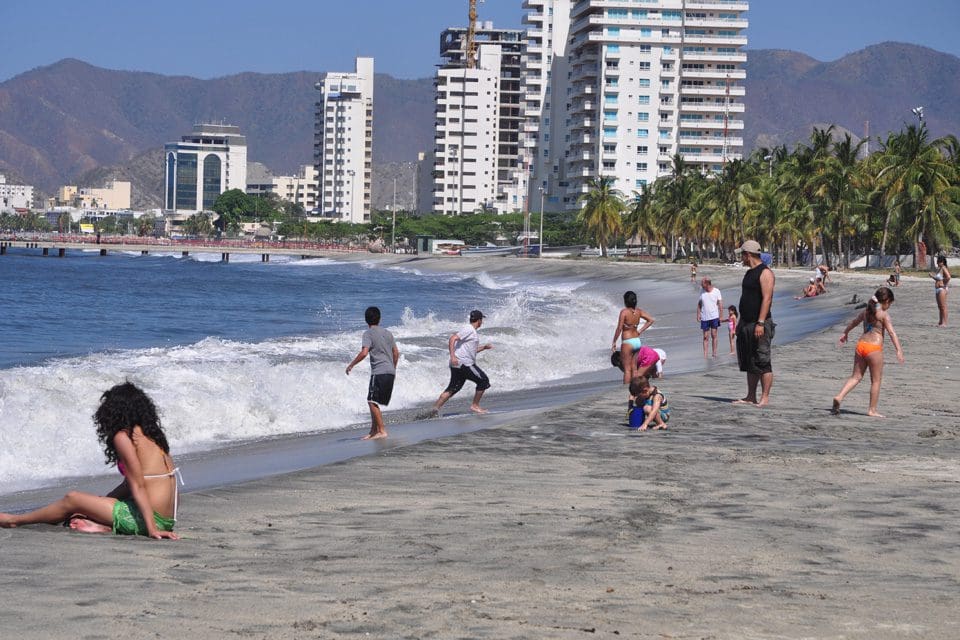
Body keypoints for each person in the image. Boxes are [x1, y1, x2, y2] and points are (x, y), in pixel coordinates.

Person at [0, 382, 180, 539]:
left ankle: (14, 521)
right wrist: (96, 505)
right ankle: (101, 526)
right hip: (166, 519)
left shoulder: (123, 436)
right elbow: (130, 485)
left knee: (72, 498)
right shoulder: (152, 435)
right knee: (82, 507)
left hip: (150, 520)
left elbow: (138, 485)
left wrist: (152, 530)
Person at [831, 287, 904, 418]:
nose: (889, 306)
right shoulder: (883, 315)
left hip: (861, 345)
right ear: (886, 301)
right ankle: (872, 410)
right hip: (874, 349)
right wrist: (898, 350)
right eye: (890, 303)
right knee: (876, 381)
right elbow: (892, 333)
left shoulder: (866, 312)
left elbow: (854, 323)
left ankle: (839, 396)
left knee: (856, 377)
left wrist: (845, 333)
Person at [346, 306, 400, 440]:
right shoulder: (388, 333)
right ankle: (373, 431)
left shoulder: (368, 333)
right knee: (373, 401)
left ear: (366, 320)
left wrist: (351, 364)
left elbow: (364, 352)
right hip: (390, 371)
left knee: (371, 401)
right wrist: (393, 367)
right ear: (380, 318)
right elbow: (396, 352)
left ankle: (381, 430)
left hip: (379, 371)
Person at [734, 240, 775, 407]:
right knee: (750, 360)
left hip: (760, 323)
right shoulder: (749, 273)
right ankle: (751, 395)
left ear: (748, 254)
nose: (741, 258)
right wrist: (740, 322)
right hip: (746, 322)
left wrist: (760, 322)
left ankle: (764, 397)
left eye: (742, 255)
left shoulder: (765, 273)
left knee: (762, 360)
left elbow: (767, 299)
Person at [433, 310, 493, 415]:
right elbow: (452, 338)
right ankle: (475, 405)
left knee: (453, 388)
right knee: (483, 380)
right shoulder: (469, 329)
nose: (482, 322)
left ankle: (433, 410)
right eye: (481, 320)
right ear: (479, 320)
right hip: (464, 364)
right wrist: (452, 356)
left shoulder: (470, 331)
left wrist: (484, 347)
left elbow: (471, 350)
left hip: (458, 364)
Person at [611, 291, 655, 384]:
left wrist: (614, 341)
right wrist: (639, 331)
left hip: (628, 342)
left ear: (625, 301)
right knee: (634, 368)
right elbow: (651, 320)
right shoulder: (638, 311)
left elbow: (619, 328)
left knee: (627, 369)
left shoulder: (624, 312)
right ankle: (636, 387)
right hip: (637, 341)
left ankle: (624, 389)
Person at [696, 277, 723, 358]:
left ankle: (714, 353)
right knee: (705, 336)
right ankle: (705, 354)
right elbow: (699, 304)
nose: (701, 285)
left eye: (702, 283)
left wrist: (721, 315)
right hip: (704, 317)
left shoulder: (716, 291)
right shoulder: (702, 291)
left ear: (707, 284)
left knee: (714, 334)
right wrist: (698, 314)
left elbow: (720, 303)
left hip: (714, 316)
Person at [931, 256, 950, 327]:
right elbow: (938, 279)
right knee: (940, 306)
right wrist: (932, 276)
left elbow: (948, 277)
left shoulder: (944, 268)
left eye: (939, 261)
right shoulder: (939, 269)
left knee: (943, 306)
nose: (937, 263)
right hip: (937, 289)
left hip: (942, 289)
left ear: (942, 262)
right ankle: (940, 322)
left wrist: (943, 282)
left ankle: (944, 323)